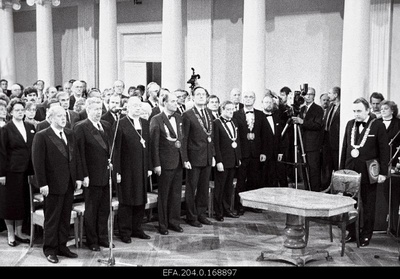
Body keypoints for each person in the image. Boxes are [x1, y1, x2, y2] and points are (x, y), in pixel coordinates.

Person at [32, 105, 83, 263]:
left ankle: (62, 245)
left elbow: (75, 157)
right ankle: (50, 249)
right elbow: (38, 162)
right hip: (51, 184)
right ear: (51, 118)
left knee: (65, 216)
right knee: (52, 218)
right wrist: (42, 184)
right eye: (59, 116)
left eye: (64, 116)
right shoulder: (42, 135)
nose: (63, 119)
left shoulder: (69, 133)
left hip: (68, 182)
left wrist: (78, 177)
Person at [341, 97, 389, 247]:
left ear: (367, 110)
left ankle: (366, 234)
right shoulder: (350, 124)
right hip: (350, 172)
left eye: (359, 111)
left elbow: (384, 150)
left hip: (369, 171)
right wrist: (342, 169)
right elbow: (345, 149)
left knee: (368, 204)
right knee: (349, 203)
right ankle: (351, 232)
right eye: (354, 111)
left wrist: (383, 172)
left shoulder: (378, 126)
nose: (356, 114)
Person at [74, 97, 113, 251]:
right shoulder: (81, 127)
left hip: (106, 174)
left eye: (100, 109)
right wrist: (84, 175)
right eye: (95, 109)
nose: (98, 112)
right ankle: (92, 241)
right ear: (88, 110)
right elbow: (80, 154)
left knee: (104, 209)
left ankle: (103, 237)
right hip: (91, 176)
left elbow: (110, 148)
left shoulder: (106, 125)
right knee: (92, 210)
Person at [114, 96, 152, 242]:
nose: (138, 108)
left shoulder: (145, 122)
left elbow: (147, 146)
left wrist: (148, 166)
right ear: (127, 107)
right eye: (134, 105)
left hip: (141, 167)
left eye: (139, 105)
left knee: (140, 199)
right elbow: (116, 150)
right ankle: (124, 231)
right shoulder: (120, 124)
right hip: (126, 169)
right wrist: (117, 171)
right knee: (127, 201)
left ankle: (137, 228)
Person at [0, 99, 35, 247]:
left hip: (27, 171)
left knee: (23, 202)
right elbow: (1, 152)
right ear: (11, 112)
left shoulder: (30, 126)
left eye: (22, 110)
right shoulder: (6, 129)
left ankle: (19, 232)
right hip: (11, 171)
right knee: (11, 203)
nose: (20, 112)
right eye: (17, 110)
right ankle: (10, 233)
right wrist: (1, 174)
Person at [150, 92, 185, 235]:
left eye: (177, 101)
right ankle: (163, 224)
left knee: (176, 194)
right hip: (164, 163)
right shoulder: (156, 119)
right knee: (164, 195)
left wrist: (185, 160)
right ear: (164, 103)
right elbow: (154, 144)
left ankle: (174, 221)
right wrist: (156, 164)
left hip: (178, 161)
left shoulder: (179, 117)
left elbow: (182, 140)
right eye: (173, 101)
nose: (176, 103)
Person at [182, 86, 215, 227]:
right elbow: (184, 138)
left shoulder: (209, 112)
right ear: (193, 97)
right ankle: (191, 216)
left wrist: (212, 155)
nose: (201, 97)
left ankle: (201, 213)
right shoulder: (188, 114)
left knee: (203, 187)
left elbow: (211, 136)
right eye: (198, 94)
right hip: (193, 157)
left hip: (207, 156)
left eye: (204, 94)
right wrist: (185, 159)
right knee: (191, 188)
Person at [232, 90, 267, 214]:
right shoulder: (236, 114)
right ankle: (239, 206)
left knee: (254, 180)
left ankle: (252, 204)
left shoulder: (261, 114)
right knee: (241, 180)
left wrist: (263, 152)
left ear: (254, 99)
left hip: (256, 153)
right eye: (245, 97)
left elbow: (265, 135)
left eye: (251, 97)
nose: (248, 99)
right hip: (242, 153)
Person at [213, 100, 241, 221]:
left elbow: (237, 141)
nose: (231, 112)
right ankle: (218, 212)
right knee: (220, 187)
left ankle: (227, 209)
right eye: (228, 109)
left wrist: (238, 157)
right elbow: (216, 144)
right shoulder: (216, 123)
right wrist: (218, 161)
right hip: (222, 161)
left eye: (232, 109)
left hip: (232, 159)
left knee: (229, 187)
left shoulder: (234, 121)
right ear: (222, 110)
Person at [292, 87, 324, 192]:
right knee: (304, 170)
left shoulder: (318, 109)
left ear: (314, 96)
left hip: (313, 145)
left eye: (311, 94)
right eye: (306, 94)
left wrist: (303, 122)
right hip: (302, 144)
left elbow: (317, 125)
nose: (308, 96)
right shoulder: (301, 109)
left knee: (313, 170)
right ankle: (306, 190)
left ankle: (314, 192)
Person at [261, 94, 288, 188]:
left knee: (277, 178)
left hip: (276, 153)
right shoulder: (259, 117)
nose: (268, 104)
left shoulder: (277, 117)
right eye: (266, 102)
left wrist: (280, 152)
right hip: (264, 154)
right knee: (264, 179)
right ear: (262, 104)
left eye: (270, 102)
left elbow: (280, 136)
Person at [321, 86, 341, 190]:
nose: (328, 95)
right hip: (326, 140)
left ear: (336, 95)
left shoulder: (342, 107)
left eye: (330, 93)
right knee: (327, 165)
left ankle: (337, 188)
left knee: (336, 165)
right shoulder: (330, 107)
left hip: (336, 142)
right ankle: (327, 186)